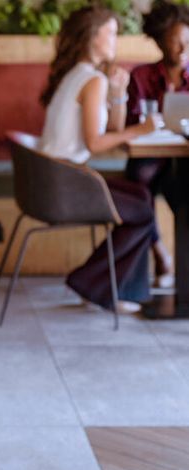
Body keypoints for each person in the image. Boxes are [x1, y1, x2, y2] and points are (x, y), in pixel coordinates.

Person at [38, 7, 160, 314]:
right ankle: (91, 282)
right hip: (65, 184)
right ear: (92, 37)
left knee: (142, 195)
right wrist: (142, 129)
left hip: (51, 179)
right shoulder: (92, 79)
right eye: (111, 33)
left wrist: (118, 93)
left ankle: (106, 286)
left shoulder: (77, 74)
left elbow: (113, 130)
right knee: (143, 211)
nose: (115, 40)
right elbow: (96, 142)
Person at [124, 0, 189, 287]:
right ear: (161, 43)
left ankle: (183, 270)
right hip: (148, 157)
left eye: (188, 41)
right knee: (139, 184)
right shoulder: (141, 76)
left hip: (184, 157)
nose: (184, 49)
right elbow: (131, 125)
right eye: (176, 42)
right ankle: (161, 254)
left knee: (185, 194)